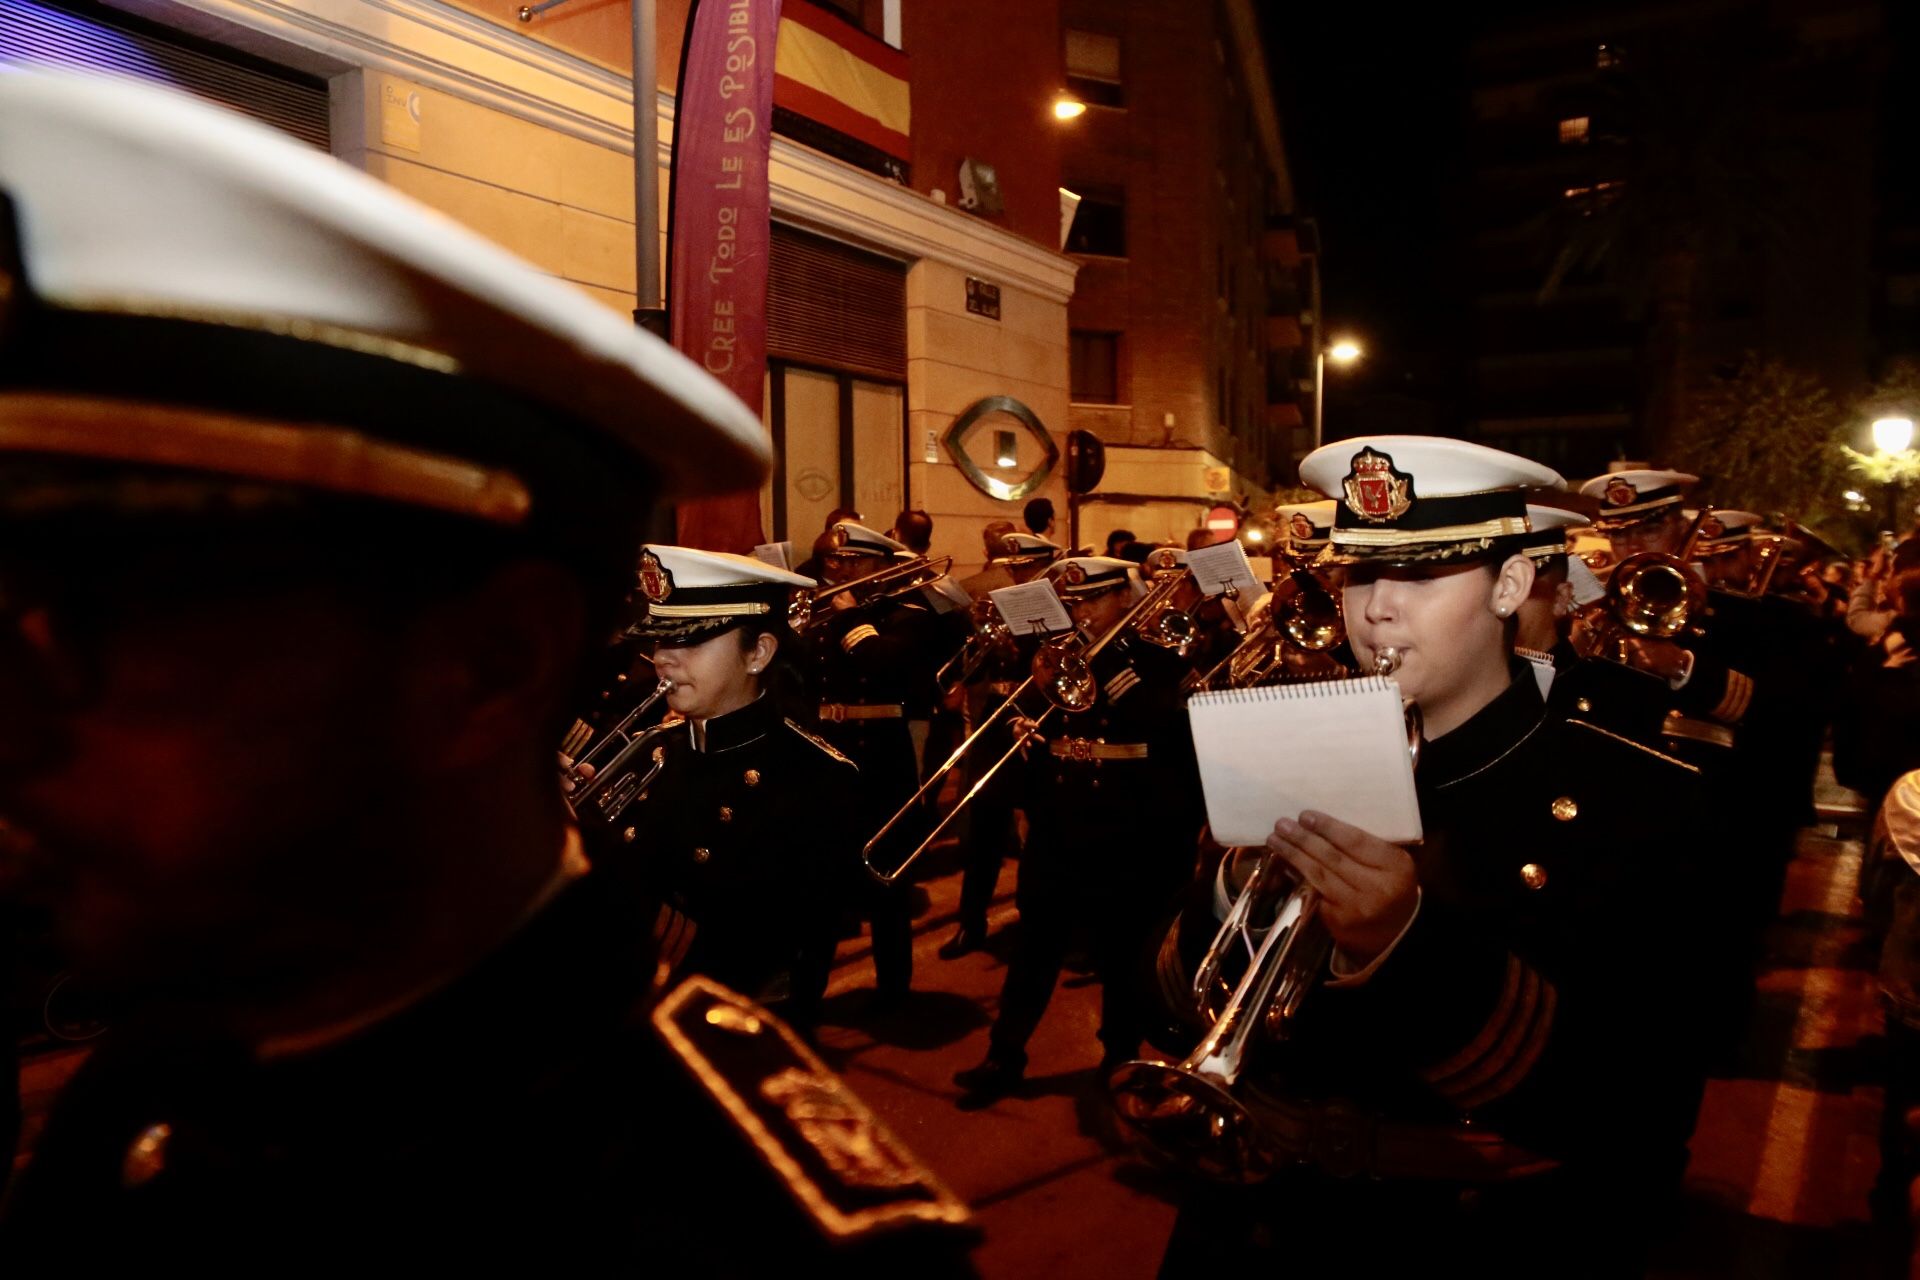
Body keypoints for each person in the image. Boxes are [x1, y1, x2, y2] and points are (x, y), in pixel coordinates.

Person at [0, 71, 973, 1270]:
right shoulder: (166, 1063)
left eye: (102, 639)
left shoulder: (728, 1217)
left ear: (487, 665)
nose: (16, 730)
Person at [1151, 438, 1714, 1276]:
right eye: (1361, 574)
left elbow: (1636, 1110)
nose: (1375, 608)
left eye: (1419, 577)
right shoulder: (1288, 744)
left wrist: (1405, 950)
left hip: (1475, 1231)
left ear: (1511, 586)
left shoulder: (1639, 794)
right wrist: (1228, 894)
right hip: (1256, 1222)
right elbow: (1163, 1002)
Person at [952, 556, 1203, 1102]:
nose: (1080, 610)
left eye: (1092, 599)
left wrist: (1108, 666)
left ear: (1123, 598)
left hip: (1129, 821)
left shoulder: (1158, 659)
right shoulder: (1057, 654)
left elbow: (1160, 721)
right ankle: (1004, 1055)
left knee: (1123, 949)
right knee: (1035, 943)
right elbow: (1040, 719)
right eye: (1073, 601)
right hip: (1060, 816)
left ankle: (1120, 1056)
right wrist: (1025, 722)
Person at [592, 545, 858, 1033]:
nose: (663, 660)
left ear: (757, 653)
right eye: (658, 643)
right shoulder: (652, 746)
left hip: (723, 1029)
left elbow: (782, 961)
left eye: (690, 643)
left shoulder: (813, 773)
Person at [810, 521, 944, 1003]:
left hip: (880, 754)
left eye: (855, 562)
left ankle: (893, 990)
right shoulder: (823, 613)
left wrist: (848, 619)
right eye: (837, 561)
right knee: (821, 882)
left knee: (887, 880)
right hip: (829, 752)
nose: (841, 570)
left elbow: (883, 665)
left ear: (883, 566)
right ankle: (809, 995)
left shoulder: (911, 614)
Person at [938, 532, 1064, 958]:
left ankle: (1043, 924)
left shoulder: (1067, 608)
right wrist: (981, 639)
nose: (1019, 576)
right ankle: (971, 924)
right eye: (1014, 569)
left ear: (1047, 564)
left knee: (1046, 829)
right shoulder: (1003, 605)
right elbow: (977, 666)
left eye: (1027, 568)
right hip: (998, 716)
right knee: (983, 828)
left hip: (1042, 719)